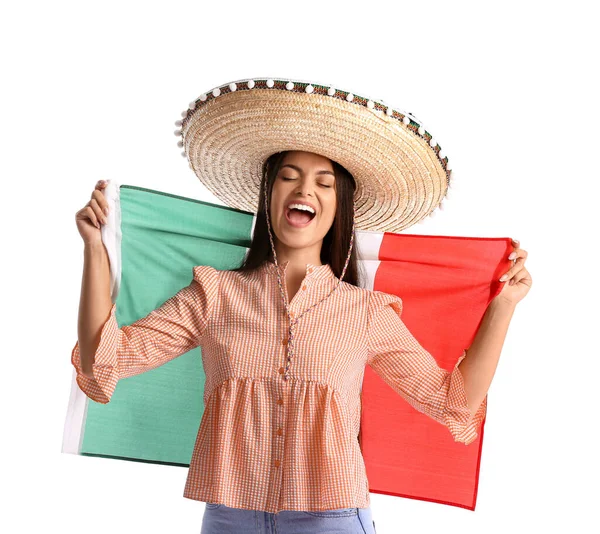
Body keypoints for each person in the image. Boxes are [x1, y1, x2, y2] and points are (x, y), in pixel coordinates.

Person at [73, 77, 531, 533]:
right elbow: (106, 359)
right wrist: (96, 249)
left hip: (332, 519)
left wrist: (504, 304)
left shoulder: (365, 313)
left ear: (339, 207)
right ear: (268, 196)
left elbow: (453, 400)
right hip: (229, 517)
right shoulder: (215, 296)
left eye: (324, 183)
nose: (303, 190)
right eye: (288, 177)